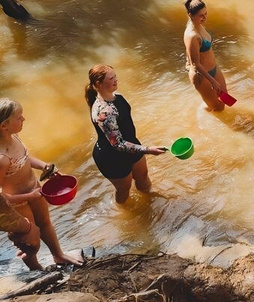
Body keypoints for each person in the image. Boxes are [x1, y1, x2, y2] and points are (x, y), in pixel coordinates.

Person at [0, 98, 82, 269]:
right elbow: (1, 197)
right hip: (18, 202)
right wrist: (29, 196)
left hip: (35, 190)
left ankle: (58, 255)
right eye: (19, 117)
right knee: (30, 240)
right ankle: (35, 268)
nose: (24, 119)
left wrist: (44, 166)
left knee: (45, 224)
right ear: (4, 126)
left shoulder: (15, 137)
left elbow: (25, 158)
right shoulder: (1, 158)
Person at [85, 65, 166, 204]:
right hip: (111, 157)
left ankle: (152, 202)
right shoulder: (104, 112)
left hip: (131, 144)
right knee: (124, 190)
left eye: (115, 76)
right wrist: (148, 150)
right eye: (111, 78)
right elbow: (118, 144)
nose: (116, 80)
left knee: (143, 176)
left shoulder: (116, 97)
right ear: (99, 83)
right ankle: (124, 215)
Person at [184, 0, 228, 111]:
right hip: (202, 76)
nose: (204, 18)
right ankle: (202, 115)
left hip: (214, 69)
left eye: (206, 14)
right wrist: (212, 81)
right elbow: (196, 64)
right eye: (201, 15)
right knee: (216, 108)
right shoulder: (192, 35)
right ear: (190, 15)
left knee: (225, 100)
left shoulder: (200, 26)